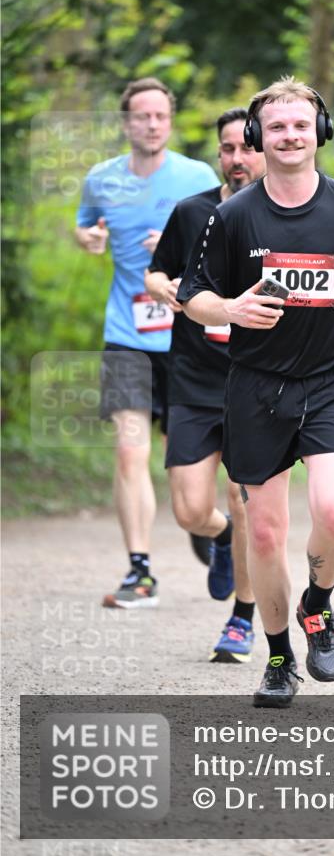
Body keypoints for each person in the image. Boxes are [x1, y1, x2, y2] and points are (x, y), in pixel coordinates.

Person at [178, 76, 334, 707]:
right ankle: (279, 657)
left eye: (300, 125)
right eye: (276, 127)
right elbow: (191, 297)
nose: (289, 136)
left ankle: (319, 605)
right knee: (263, 535)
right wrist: (229, 308)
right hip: (256, 389)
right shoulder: (232, 216)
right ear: (258, 137)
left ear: (319, 133)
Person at [75, 77, 219, 609]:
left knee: (184, 462)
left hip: (188, 338)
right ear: (126, 121)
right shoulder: (101, 179)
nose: (151, 124)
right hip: (127, 335)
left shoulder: (197, 177)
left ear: (171, 120)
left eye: (160, 116)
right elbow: (87, 227)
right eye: (141, 116)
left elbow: (223, 247)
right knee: (129, 450)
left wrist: (178, 247)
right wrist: (88, 238)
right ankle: (140, 570)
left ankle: (208, 527)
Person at [144, 108, 266, 661]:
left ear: (264, 152)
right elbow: (156, 268)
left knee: (246, 503)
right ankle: (217, 540)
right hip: (192, 376)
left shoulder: (281, 218)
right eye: (227, 149)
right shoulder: (191, 212)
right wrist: (165, 287)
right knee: (190, 510)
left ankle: (242, 618)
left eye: (246, 148)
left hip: (254, 380)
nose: (236, 159)